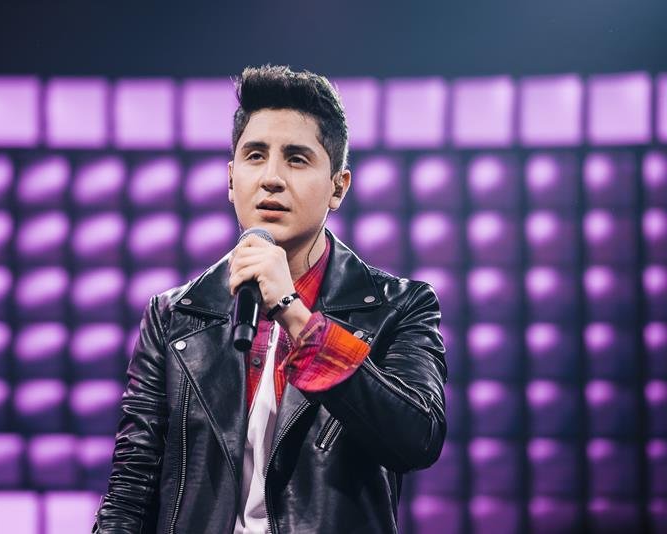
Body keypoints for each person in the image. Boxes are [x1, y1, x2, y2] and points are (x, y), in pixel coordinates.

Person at [93, 65, 447, 533]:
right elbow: (131, 489)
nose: (271, 178)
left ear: (338, 187)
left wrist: (294, 314)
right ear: (231, 178)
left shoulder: (398, 308)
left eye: (297, 159)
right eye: (255, 156)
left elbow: (416, 438)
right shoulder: (173, 317)